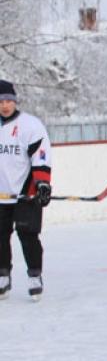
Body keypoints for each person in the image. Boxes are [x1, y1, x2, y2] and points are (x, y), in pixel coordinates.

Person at [0, 80, 52, 300]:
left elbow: (41, 156)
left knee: (28, 235)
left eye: (9, 101)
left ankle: (34, 275)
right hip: (1, 196)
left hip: (25, 193)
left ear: (15, 102)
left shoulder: (31, 125)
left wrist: (41, 183)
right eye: (1, 101)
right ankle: (3, 275)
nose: (5, 105)